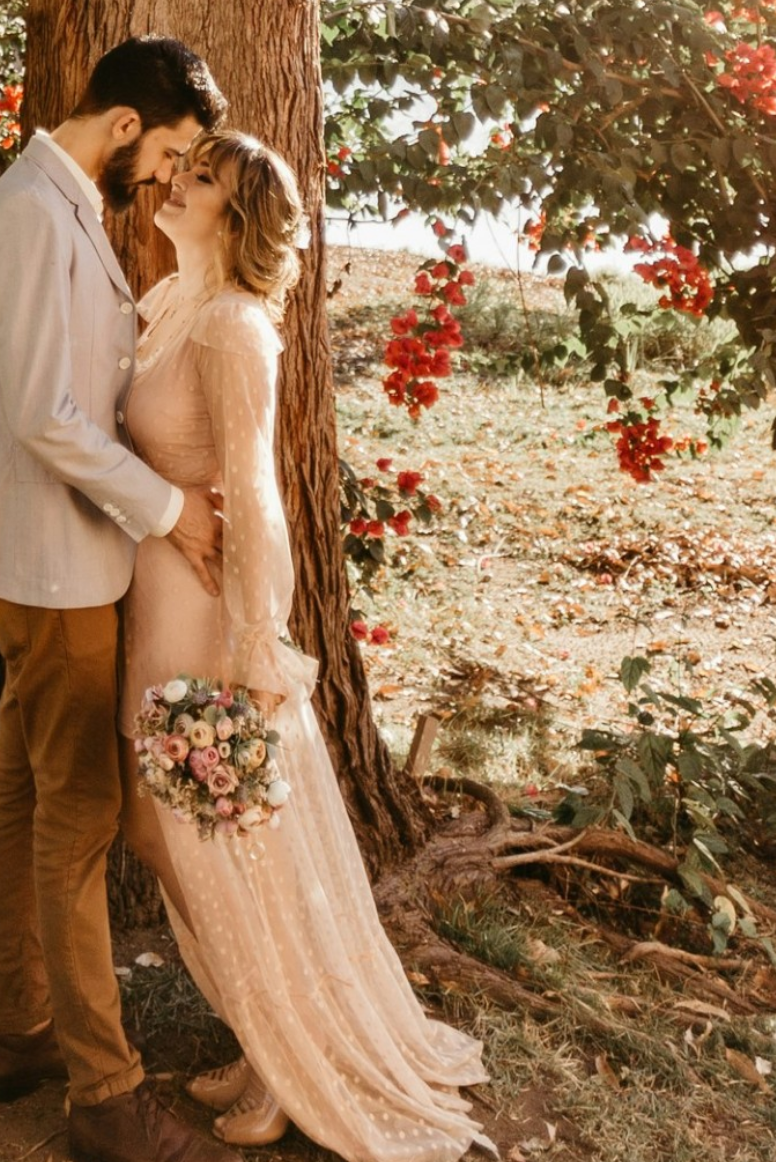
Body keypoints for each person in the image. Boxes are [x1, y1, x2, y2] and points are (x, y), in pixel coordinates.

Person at [121, 131, 488, 1160]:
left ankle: (294, 1070)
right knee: (166, 839)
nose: (177, 184)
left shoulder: (236, 327)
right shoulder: (169, 306)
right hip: (152, 604)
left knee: (225, 847)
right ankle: (262, 1030)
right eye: (185, 169)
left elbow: (259, 492)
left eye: (203, 182)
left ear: (236, 224)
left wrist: (253, 640)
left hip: (205, 617)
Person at [0, 36, 237, 1162]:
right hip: (53, 568)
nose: (165, 178)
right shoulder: (30, 216)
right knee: (82, 819)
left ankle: (14, 1029)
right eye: (167, 154)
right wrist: (169, 508)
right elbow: (51, 421)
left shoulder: (57, 205)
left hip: (42, 562)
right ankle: (106, 1096)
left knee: (20, 795)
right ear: (125, 127)